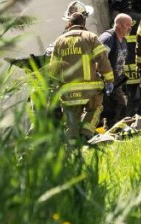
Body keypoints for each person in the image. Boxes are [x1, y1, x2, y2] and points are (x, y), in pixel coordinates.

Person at [48, 12, 114, 141]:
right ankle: (85, 134)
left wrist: (55, 87)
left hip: (68, 91)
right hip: (90, 90)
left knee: (71, 120)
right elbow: (102, 59)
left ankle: (72, 145)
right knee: (95, 109)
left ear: (69, 24)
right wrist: (109, 79)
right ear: (84, 24)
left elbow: (53, 68)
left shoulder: (59, 41)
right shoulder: (90, 37)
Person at [109, 0, 141, 116]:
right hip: (140, 65)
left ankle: (129, 118)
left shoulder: (117, 24)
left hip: (125, 68)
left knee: (129, 97)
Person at [97, 13, 133, 126]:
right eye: (128, 25)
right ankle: (113, 129)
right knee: (118, 105)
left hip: (115, 79)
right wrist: (106, 80)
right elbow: (99, 59)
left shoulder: (123, 40)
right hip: (105, 79)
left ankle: (110, 129)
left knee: (113, 107)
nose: (130, 28)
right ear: (119, 25)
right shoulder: (108, 38)